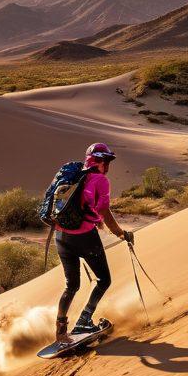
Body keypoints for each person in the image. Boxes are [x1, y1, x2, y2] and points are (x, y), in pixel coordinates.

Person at [55, 142, 133, 343]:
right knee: (104, 280)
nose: (106, 166)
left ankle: (61, 332)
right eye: (105, 161)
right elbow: (104, 211)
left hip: (61, 237)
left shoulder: (75, 176)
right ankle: (83, 321)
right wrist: (121, 234)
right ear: (98, 162)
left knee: (71, 286)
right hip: (84, 237)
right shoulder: (100, 181)